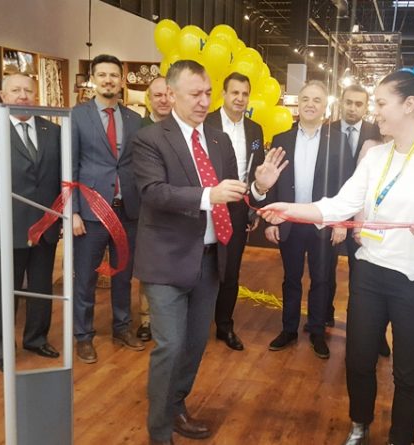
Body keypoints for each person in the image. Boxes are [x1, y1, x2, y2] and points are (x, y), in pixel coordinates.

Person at [260, 70, 414, 445]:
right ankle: (360, 424)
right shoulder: (375, 157)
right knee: (358, 360)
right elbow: (338, 205)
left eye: (381, 103)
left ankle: (402, 437)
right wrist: (289, 209)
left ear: (409, 105)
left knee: (408, 372)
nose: (375, 111)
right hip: (369, 274)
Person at [131, 60, 286, 445]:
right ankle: (159, 432)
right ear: (171, 94)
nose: (203, 101)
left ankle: (177, 405)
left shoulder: (218, 141)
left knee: (195, 343)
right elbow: (153, 192)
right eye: (194, 94)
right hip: (167, 260)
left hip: (210, 260)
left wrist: (259, 189)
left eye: (207, 93)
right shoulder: (150, 139)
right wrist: (207, 195)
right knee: (170, 345)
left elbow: (233, 196)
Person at [0, 73, 62, 371]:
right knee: (3, 291)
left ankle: (36, 338)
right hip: (3, 227)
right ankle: (1, 346)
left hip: (45, 226)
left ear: (36, 95)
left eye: (28, 91)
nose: (22, 96)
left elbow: (61, 179)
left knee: (41, 288)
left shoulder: (53, 131)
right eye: (15, 90)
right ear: (3, 96)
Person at [263, 80, 354, 360]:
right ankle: (289, 329)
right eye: (305, 99)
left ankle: (317, 331)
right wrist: (271, 220)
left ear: (325, 106)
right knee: (291, 278)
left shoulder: (338, 140)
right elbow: (270, 181)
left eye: (317, 100)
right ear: (298, 104)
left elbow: (346, 184)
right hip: (289, 222)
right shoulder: (281, 139)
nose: (310, 105)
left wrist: (341, 221)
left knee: (321, 279)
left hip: (322, 222)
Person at [71, 54, 144, 364]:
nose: (108, 80)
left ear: (122, 80)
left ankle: (122, 327)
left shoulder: (135, 119)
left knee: (123, 275)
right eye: (102, 75)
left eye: (114, 75)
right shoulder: (77, 116)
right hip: (90, 212)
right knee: (85, 278)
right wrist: (72, 211)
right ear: (93, 79)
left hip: (126, 210)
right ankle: (83, 336)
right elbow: (69, 166)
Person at [204, 72, 265, 351]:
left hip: (238, 207)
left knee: (231, 270)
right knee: (201, 267)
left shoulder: (255, 130)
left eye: (244, 94)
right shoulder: (206, 123)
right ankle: (197, 323)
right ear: (224, 94)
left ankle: (224, 325)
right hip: (207, 203)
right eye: (235, 93)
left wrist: (254, 209)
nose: (240, 98)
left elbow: (257, 169)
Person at [327, 84, 381, 328]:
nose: (352, 108)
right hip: (333, 211)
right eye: (348, 102)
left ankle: (357, 325)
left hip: (363, 216)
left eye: (359, 104)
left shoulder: (377, 133)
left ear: (366, 107)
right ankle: (324, 317)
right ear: (341, 102)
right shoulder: (327, 131)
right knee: (325, 270)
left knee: (360, 274)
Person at [136, 75, 173, 343]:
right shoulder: (138, 129)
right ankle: (146, 320)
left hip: (176, 208)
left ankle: (169, 319)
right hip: (145, 208)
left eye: (168, 94)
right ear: (149, 99)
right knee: (149, 267)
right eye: (157, 95)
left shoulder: (182, 128)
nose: (163, 100)